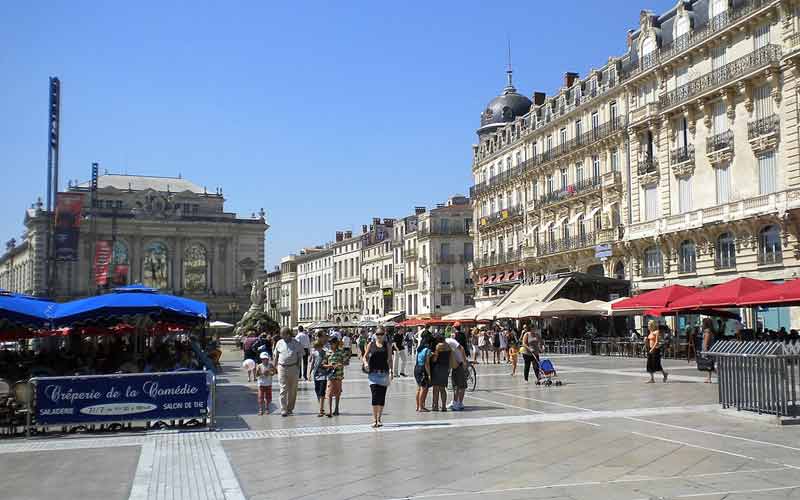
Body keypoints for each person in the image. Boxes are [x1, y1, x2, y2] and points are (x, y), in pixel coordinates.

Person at [363, 327, 394, 427]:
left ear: (384, 335)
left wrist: (391, 371)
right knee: (375, 396)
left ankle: (379, 418)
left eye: (381, 334)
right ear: (375, 335)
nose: (379, 336)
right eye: (377, 334)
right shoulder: (370, 344)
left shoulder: (387, 345)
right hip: (373, 374)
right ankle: (374, 419)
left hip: (384, 373)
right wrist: (365, 363)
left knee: (381, 397)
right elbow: (365, 356)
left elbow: (390, 359)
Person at [274, 327, 303, 416]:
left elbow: (300, 356)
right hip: (282, 367)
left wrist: (298, 368)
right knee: (283, 389)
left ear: (288, 334)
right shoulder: (279, 343)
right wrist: (274, 367)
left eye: (282, 334)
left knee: (293, 390)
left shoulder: (296, 343)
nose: (281, 336)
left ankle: (290, 408)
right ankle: (283, 409)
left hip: (293, 367)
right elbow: (276, 355)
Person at [430, 334, 457, 411]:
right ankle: (444, 406)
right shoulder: (448, 346)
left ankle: (435, 406)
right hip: (446, 368)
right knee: (442, 388)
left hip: (438, 367)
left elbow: (435, 359)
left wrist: (432, 356)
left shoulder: (438, 346)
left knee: (436, 388)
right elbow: (450, 357)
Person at [323, 336, 348, 417]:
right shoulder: (328, 352)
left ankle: (336, 409)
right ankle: (329, 411)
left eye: (332, 343)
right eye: (329, 343)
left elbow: (346, 362)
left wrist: (340, 364)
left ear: (336, 343)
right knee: (329, 393)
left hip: (339, 375)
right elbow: (323, 364)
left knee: (337, 393)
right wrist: (329, 366)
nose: (330, 344)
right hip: (330, 375)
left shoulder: (341, 352)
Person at [445, 333, 468, 411]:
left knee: (461, 385)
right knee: (455, 384)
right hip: (455, 364)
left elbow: (461, 348)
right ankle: (455, 402)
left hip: (460, 364)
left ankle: (459, 403)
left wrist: (464, 361)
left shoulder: (450, 341)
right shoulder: (444, 345)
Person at [309, 339, 329, 417]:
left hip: (323, 375)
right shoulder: (314, 353)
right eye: (315, 348)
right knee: (317, 391)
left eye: (317, 347)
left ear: (321, 346)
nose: (316, 349)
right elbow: (313, 363)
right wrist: (309, 373)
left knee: (321, 392)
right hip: (316, 374)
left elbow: (327, 363)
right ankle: (322, 407)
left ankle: (321, 410)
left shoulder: (325, 354)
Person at [414, 332, 433, 412]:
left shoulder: (419, 349)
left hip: (417, 368)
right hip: (422, 369)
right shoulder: (427, 350)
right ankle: (421, 407)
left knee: (418, 388)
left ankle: (418, 406)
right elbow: (427, 363)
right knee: (423, 388)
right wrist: (429, 374)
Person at [698, 318, 716, 383]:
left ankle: (711, 377)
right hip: (710, 349)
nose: (702, 324)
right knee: (709, 365)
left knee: (709, 364)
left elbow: (706, 342)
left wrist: (705, 351)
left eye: (703, 323)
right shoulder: (710, 331)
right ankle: (709, 378)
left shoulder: (707, 331)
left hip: (708, 350)